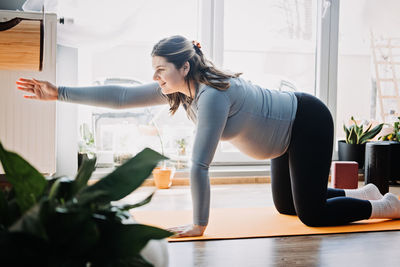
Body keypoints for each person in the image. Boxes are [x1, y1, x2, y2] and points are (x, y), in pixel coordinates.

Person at [16, 35, 400, 238]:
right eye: (153, 70)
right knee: (288, 208)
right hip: (284, 137)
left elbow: (199, 165)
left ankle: (383, 207)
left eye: (161, 69)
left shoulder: (212, 97)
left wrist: (199, 224)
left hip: (306, 122)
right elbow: (122, 95)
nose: (155, 78)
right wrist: (58, 93)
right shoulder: (181, 87)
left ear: (185, 66)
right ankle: (362, 193)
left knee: (311, 215)